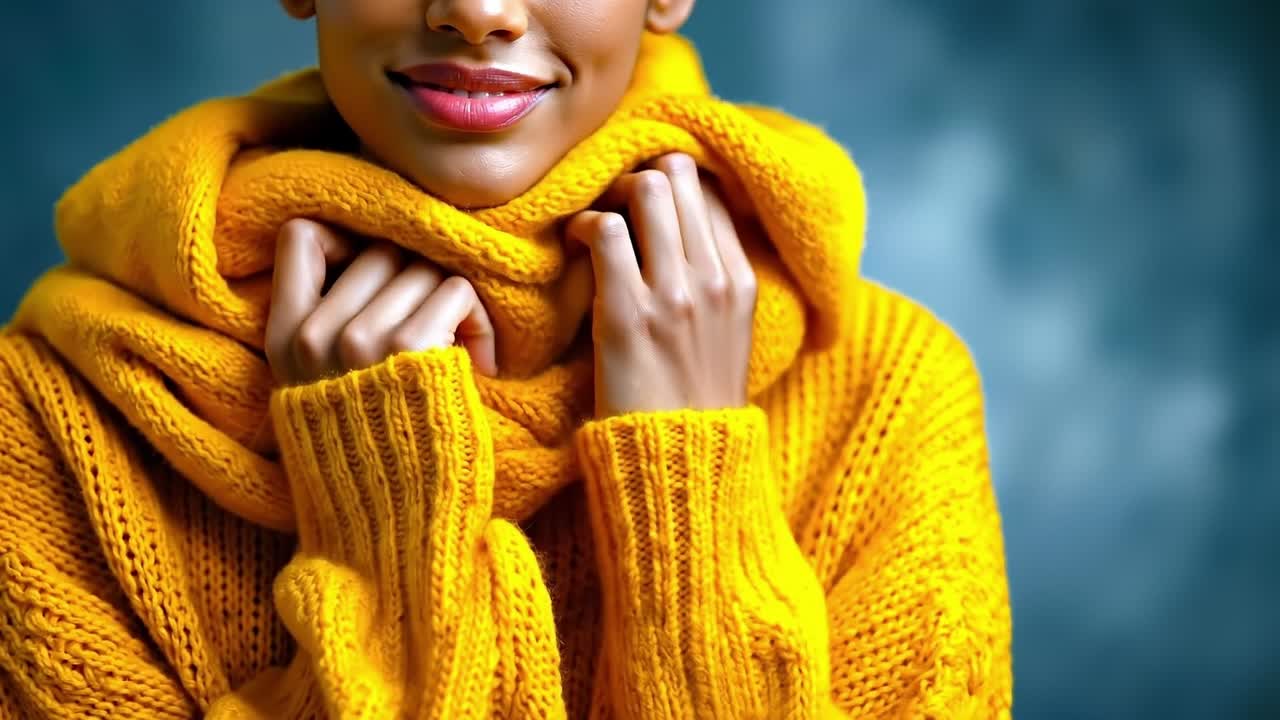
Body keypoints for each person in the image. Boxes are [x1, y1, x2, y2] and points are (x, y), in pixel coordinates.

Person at [0, 0, 1013, 717]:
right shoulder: (48, 414)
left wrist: (688, 482)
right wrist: (386, 561)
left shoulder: (889, 388)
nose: (478, 10)